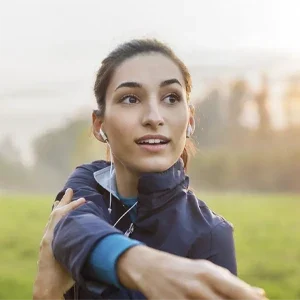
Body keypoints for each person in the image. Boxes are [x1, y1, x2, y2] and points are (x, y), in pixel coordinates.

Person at [33, 39, 267, 300]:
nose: (154, 117)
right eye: (131, 99)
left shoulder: (211, 234)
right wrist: (143, 266)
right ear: (100, 125)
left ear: (189, 121)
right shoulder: (89, 179)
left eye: (171, 98)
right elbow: (71, 226)